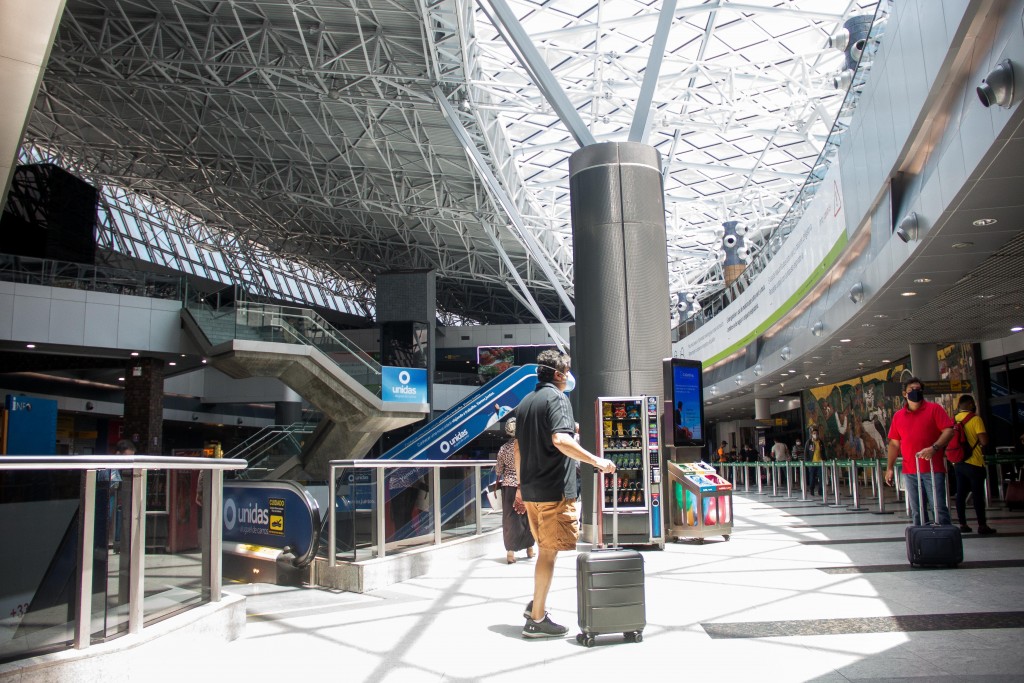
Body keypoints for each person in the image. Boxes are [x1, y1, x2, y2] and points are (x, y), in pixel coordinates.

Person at [513, 350, 616, 639]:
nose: (570, 376)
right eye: (567, 370)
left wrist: (521, 487)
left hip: (532, 491)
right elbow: (560, 439)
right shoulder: (558, 398)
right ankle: (537, 619)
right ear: (558, 375)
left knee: (546, 549)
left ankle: (537, 602)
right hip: (553, 491)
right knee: (548, 553)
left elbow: (519, 448)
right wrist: (597, 461)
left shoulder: (526, 402)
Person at [884, 377, 954, 525]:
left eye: (918, 389)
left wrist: (934, 448)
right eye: (911, 390)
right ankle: (922, 541)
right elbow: (894, 444)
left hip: (933, 469)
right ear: (904, 394)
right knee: (917, 511)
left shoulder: (934, 409)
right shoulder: (898, 416)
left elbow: (948, 431)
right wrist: (889, 467)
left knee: (939, 508)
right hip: (910, 470)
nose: (915, 392)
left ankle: (943, 540)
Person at [952, 395, 996, 535]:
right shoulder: (975, 419)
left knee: (960, 494)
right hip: (975, 462)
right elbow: (984, 441)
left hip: (958, 462)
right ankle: (982, 525)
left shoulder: (953, 420)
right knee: (977, 495)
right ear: (971, 404)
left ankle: (963, 524)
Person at [494, 419, 536, 563]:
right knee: (528, 518)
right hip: (526, 485)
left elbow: (499, 469)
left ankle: (510, 553)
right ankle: (530, 549)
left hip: (509, 487)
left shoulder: (503, 448)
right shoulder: (527, 447)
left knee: (510, 519)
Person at [808, 430, 824, 496]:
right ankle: (811, 489)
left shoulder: (820, 442)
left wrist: (824, 459)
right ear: (812, 434)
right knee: (812, 477)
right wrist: (808, 462)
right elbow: (806, 452)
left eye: (817, 433)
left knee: (821, 477)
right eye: (814, 433)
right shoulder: (809, 442)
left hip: (820, 462)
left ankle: (820, 491)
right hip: (812, 463)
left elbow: (823, 451)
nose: (815, 435)